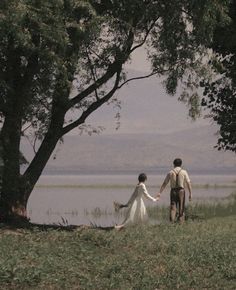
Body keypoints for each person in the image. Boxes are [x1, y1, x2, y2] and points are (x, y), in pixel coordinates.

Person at [157, 158, 192, 223]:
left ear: (174, 164)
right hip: (181, 191)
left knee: (173, 207)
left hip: (173, 191)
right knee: (181, 207)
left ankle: (172, 222)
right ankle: (181, 222)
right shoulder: (184, 172)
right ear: (181, 164)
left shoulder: (170, 172)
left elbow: (165, 183)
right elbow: (188, 183)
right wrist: (190, 193)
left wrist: (160, 192)